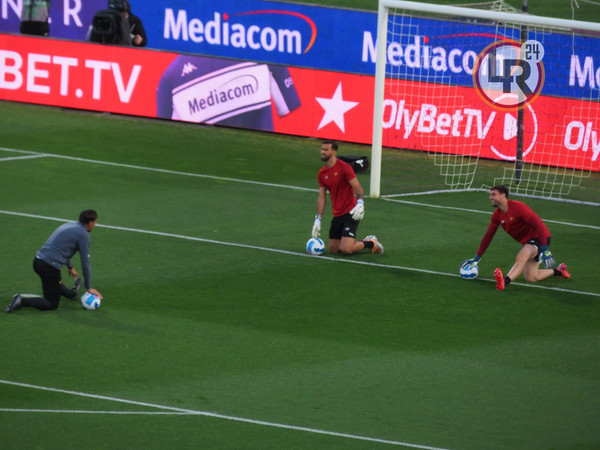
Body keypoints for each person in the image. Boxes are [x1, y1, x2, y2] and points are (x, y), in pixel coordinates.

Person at [462, 185, 570, 290]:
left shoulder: (518, 207)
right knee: (531, 277)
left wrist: (545, 248)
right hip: (528, 242)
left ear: (503, 196)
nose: (490, 197)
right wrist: (477, 258)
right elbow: (488, 236)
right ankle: (559, 271)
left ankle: (504, 281)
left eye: (493, 194)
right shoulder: (497, 215)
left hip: (540, 237)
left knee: (521, 256)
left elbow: (538, 225)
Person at [5, 210, 103, 313]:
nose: (95, 225)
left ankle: (72, 294)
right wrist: (89, 287)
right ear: (91, 223)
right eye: (95, 222)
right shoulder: (83, 234)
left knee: (54, 283)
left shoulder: (70, 225)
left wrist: (70, 266)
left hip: (38, 261)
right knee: (51, 304)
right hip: (49, 267)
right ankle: (21, 301)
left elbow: (62, 247)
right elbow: (85, 262)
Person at [312, 140, 384, 255]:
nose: (322, 152)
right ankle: (354, 242)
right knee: (334, 250)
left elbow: (358, 188)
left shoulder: (344, 167)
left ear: (334, 152)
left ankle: (371, 242)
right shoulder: (322, 173)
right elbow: (321, 198)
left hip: (351, 212)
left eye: (326, 150)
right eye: (322, 149)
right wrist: (318, 219)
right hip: (337, 214)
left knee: (346, 249)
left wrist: (360, 203)